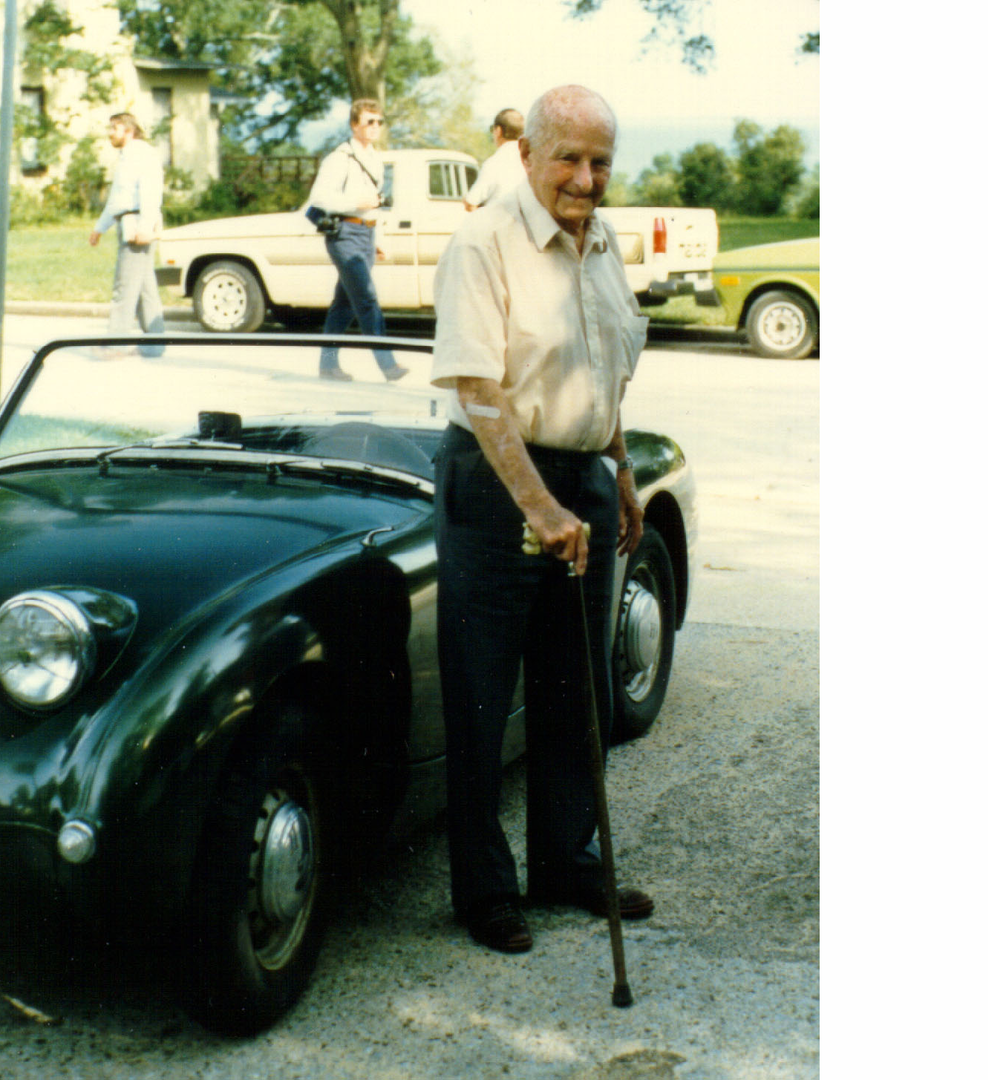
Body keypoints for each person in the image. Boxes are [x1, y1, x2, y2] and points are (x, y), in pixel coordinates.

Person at [429, 85, 657, 955]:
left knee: (579, 690)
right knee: (484, 697)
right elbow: (479, 393)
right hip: (498, 487)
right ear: (526, 155)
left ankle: (565, 862)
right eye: (569, 157)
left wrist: (621, 474)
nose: (587, 177)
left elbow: (607, 369)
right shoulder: (484, 241)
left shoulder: (602, 245)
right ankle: (484, 891)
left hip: (584, 480)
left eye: (601, 162)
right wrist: (540, 505)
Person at [306, 99, 407, 382]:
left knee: (344, 304)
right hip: (344, 234)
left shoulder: (375, 157)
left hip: (366, 233)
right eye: (369, 122)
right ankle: (388, 365)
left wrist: (379, 237)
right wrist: (355, 202)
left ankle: (327, 366)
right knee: (366, 297)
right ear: (354, 125)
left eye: (379, 122)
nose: (375, 127)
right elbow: (319, 197)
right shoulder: (340, 158)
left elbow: (376, 204)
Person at [88, 112, 167, 358]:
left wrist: (146, 225)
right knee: (145, 289)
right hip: (129, 221)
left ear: (129, 131)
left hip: (137, 224)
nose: (110, 133)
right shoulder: (127, 157)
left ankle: (116, 344)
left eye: (115, 128)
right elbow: (117, 199)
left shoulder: (141, 154)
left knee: (124, 287)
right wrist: (100, 228)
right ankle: (155, 345)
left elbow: (150, 190)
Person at [462, 108, 526, 211]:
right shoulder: (532, 161)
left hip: (500, 225)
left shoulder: (494, 163)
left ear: (498, 131)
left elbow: (471, 203)